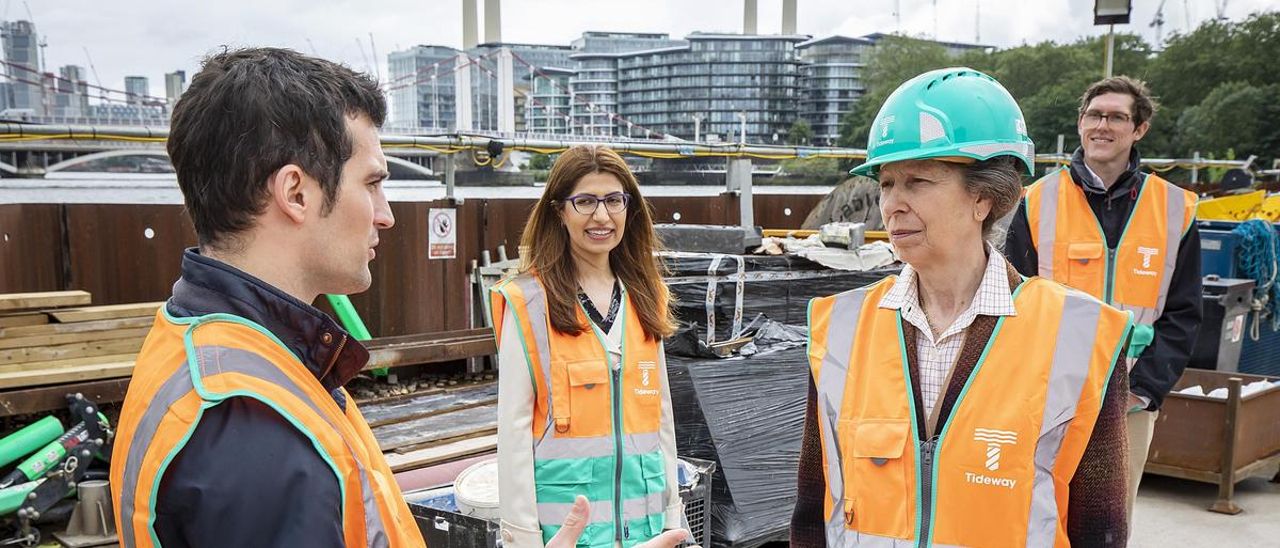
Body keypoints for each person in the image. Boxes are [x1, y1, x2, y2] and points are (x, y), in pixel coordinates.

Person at [790, 68, 1132, 547]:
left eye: (918, 181)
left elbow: (1101, 526)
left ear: (985, 199)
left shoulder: (1077, 338)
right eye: (887, 183)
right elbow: (813, 509)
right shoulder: (842, 328)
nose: (892, 205)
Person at [1003, 76, 1201, 524]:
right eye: (1094, 115)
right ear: (1080, 123)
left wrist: (1145, 390)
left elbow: (1185, 315)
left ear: (1139, 129)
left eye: (1117, 117)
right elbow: (1013, 300)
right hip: (1049, 397)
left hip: (1129, 401)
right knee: (1035, 515)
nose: (1103, 126)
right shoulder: (1036, 202)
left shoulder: (1175, 209)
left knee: (1109, 522)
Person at [490, 145, 688, 547]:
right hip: (566, 536)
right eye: (585, 201)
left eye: (614, 200)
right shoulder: (528, 303)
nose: (602, 216)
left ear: (629, 209)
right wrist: (523, 540)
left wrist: (672, 516)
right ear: (558, 211)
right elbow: (513, 438)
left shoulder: (647, 297)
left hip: (646, 534)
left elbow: (661, 420)